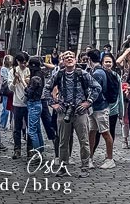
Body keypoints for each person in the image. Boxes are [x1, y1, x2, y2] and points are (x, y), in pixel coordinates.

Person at [43, 50, 100, 178]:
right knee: (63, 141)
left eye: (72, 57)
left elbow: (97, 87)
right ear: (62, 61)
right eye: (66, 57)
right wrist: (53, 104)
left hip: (80, 112)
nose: (69, 59)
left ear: (75, 60)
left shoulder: (82, 74)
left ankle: (85, 167)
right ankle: (63, 167)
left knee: (84, 140)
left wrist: (88, 102)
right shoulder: (59, 74)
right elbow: (46, 89)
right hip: (64, 111)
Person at [85, 50, 116, 169]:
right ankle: (90, 157)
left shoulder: (97, 73)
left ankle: (110, 158)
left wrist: (88, 102)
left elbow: (95, 91)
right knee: (92, 131)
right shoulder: (97, 71)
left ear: (89, 60)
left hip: (100, 107)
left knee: (105, 132)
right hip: (95, 107)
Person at [24, 57, 47, 157]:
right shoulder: (41, 75)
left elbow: (29, 92)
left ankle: (37, 153)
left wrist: (25, 86)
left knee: (32, 131)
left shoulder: (34, 78)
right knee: (37, 129)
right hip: (38, 103)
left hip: (33, 103)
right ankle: (40, 149)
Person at [10, 53, 30, 158]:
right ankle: (17, 150)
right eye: (22, 62)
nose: (24, 64)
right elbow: (11, 88)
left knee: (29, 128)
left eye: (25, 62)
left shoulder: (29, 70)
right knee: (17, 128)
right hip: (17, 103)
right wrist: (15, 79)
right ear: (18, 61)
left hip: (28, 104)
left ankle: (30, 150)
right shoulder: (12, 71)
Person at [0, 55, 14, 130]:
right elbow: (5, 79)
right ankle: (2, 124)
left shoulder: (13, 68)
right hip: (6, 90)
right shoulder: (4, 69)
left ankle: (11, 124)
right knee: (5, 109)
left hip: (12, 90)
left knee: (12, 108)